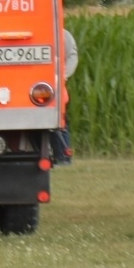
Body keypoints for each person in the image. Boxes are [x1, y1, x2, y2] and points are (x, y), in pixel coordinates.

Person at [56, 27, 78, 165]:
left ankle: (64, 157)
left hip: (57, 89)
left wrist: (64, 76)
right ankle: (60, 156)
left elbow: (72, 56)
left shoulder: (63, 34)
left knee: (60, 125)